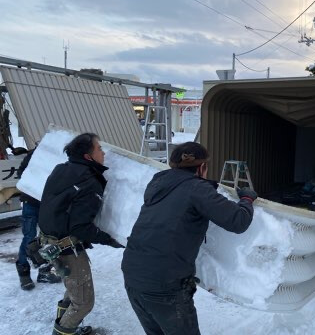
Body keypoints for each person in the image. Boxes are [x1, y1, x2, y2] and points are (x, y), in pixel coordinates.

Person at [122, 142, 257, 335]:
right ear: (202, 168)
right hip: (164, 284)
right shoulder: (197, 189)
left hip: (132, 274)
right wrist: (247, 200)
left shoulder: (157, 182)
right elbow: (238, 221)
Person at [38, 133, 124, 335]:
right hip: (66, 248)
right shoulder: (88, 182)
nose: (103, 153)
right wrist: (109, 239)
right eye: (99, 149)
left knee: (73, 289)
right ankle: (62, 332)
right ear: (88, 157)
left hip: (50, 241)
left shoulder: (62, 169)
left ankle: (66, 324)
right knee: (84, 303)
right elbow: (80, 227)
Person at [15, 147, 62, 290]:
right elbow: (20, 173)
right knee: (29, 237)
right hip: (31, 202)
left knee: (48, 237)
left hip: (47, 204)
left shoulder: (59, 156)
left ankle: (45, 270)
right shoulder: (35, 154)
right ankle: (24, 272)